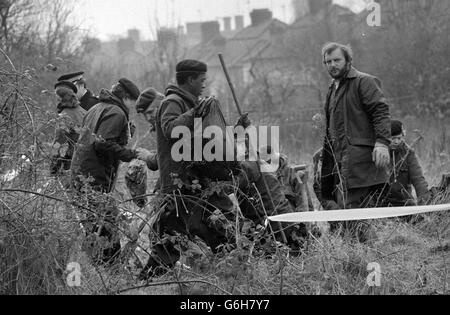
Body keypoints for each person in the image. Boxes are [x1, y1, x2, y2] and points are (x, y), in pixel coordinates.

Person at [139, 60, 250, 279]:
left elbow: (209, 142)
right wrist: (195, 113)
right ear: (190, 79)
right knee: (169, 244)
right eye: (201, 80)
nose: (203, 84)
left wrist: (237, 129)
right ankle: (146, 283)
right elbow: (170, 129)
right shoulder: (172, 102)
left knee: (221, 232)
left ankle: (232, 280)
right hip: (181, 187)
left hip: (198, 183)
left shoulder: (192, 103)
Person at [319, 42, 392, 243]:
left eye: (336, 60)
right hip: (339, 160)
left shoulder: (364, 82)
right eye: (328, 61)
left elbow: (380, 111)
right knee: (345, 209)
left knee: (352, 210)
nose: (332, 65)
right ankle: (360, 251)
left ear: (348, 60)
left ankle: (367, 251)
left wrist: (382, 143)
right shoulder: (332, 89)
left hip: (359, 159)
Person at [71, 78, 141, 264]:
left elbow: (96, 137)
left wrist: (125, 134)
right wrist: (128, 153)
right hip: (95, 175)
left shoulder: (97, 107)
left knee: (93, 221)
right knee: (106, 221)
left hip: (80, 171)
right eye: (133, 102)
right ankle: (111, 267)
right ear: (126, 97)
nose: (133, 106)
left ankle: (95, 265)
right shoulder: (117, 112)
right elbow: (102, 143)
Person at [386, 120, 430, 207]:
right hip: (383, 203)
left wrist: (425, 204)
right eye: (393, 138)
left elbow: (418, 179)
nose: (396, 142)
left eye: (399, 138)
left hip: (404, 202)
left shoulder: (408, 153)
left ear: (403, 136)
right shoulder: (379, 152)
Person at [50, 81, 86, 180]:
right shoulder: (84, 112)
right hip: (86, 163)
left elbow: (59, 144)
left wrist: (53, 170)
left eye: (55, 98)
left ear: (60, 99)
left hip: (70, 165)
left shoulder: (64, 116)